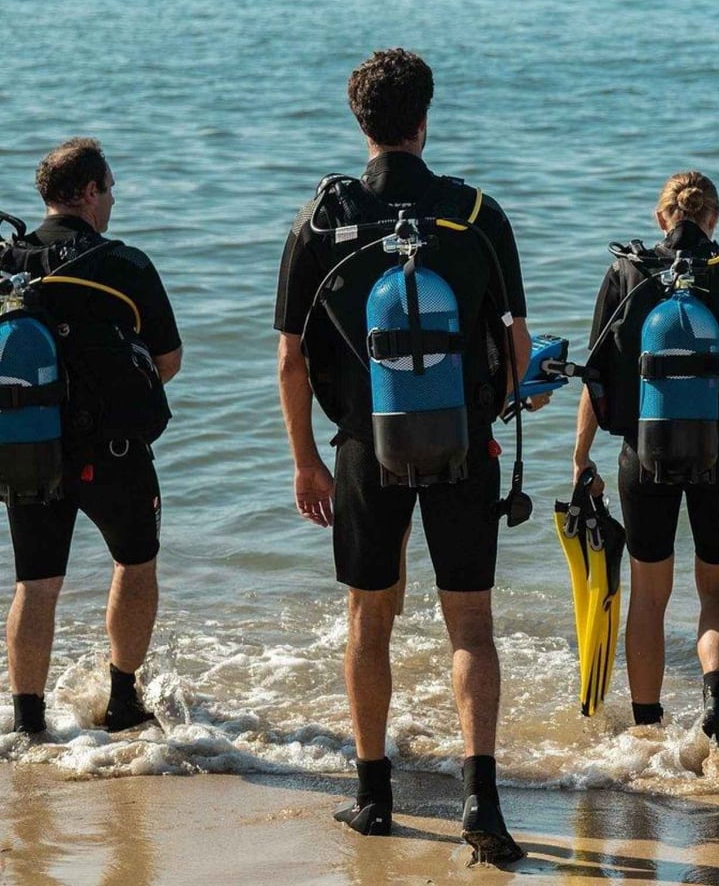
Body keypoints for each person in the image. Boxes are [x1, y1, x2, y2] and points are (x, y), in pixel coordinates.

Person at [273, 49, 538, 861]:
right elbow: (518, 350)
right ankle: (482, 804)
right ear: (424, 119)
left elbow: (290, 361)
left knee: (368, 620)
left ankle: (373, 796)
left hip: (364, 447)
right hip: (462, 443)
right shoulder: (476, 213)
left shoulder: (321, 220)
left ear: (360, 122)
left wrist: (307, 461)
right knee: (472, 626)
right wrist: (495, 405)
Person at [571, 171, 719, 765]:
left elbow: (595, 379)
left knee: (649, 594)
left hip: (642, 455)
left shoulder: (627, 272)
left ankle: (647, 730)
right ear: (714, 218)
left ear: (661, 218)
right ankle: (717, 709)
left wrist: (580, 458)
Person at [2, 138, 182, 738]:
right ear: (87, 192)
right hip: (113, 451)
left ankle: (28, 723)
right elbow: (169, 359)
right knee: (135, 563)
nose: (112, 200)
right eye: (109, 189)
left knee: (35, 582)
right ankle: (123, 701)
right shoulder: (124, 264)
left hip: (29, 449)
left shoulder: (7, 263)